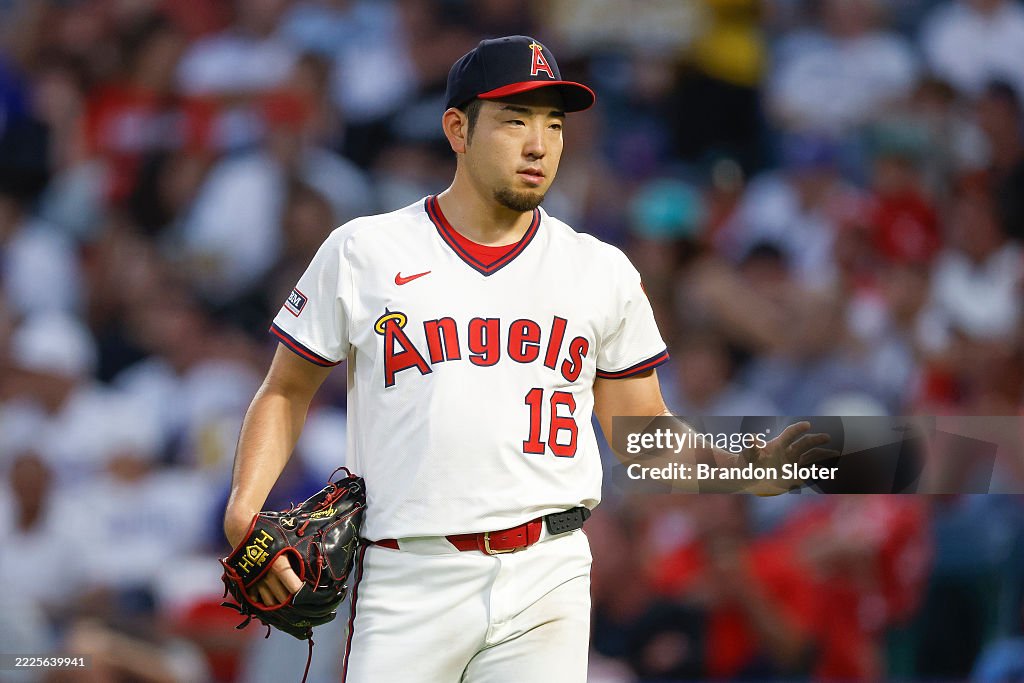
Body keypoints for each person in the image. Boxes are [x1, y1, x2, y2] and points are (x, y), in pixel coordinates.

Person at [223, 35, 830, 683]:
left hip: (549, 572)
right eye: (515, 121)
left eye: (554, 124)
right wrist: (244, 507)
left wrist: (733, 467)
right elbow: (287, 389)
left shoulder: (601, 271)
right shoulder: (364, 250)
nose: (539, 144)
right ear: (457, 128)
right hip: (409, 572)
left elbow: (644, 437)